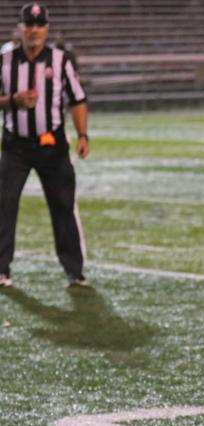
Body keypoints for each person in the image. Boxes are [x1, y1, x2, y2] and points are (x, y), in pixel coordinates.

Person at [0, 3, 88, 289]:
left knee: (63, 205)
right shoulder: (4, 60)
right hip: (16, 147)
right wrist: (13, 100)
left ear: (46, 28)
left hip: (53, 145)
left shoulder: (61, 60)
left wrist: (83, 134)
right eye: (29, 25)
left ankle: (74, 270)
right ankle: (2, 269)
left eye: (39, 25)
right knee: (4, 204)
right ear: (21, 28)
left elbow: (77, 99)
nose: (34, 30)